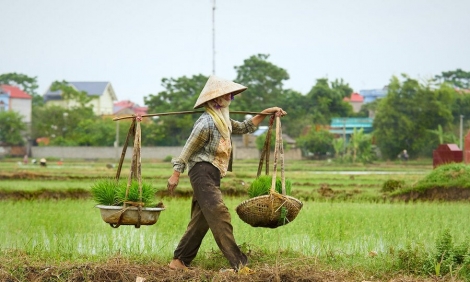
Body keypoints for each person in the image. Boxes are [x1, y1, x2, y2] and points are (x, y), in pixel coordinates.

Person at [167, 75, 287, 272]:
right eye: (228, 96)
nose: (231, 99)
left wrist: (265, 113)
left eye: (231, 96)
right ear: (216, 100)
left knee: (203, 219)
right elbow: (187, 149)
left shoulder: (223, 120)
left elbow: (245, 127)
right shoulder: (206, 123)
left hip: (212, 174)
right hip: (201, 172)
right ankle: (240, 264)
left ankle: (179, 261)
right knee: (220, 214)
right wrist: (175, 174)